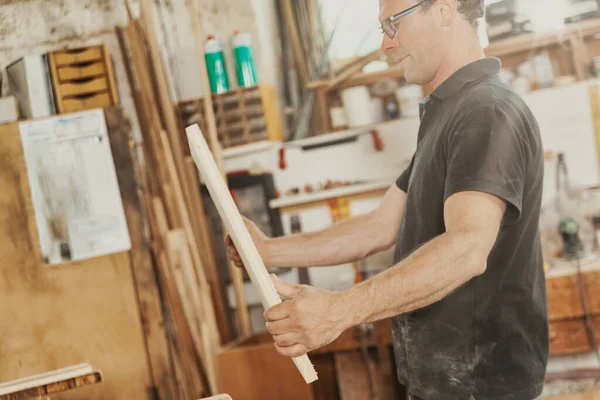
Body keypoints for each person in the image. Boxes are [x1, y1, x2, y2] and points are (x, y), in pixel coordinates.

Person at [226, 0, 549, 398]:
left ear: (445, 9)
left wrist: (338, 310)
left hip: (480, 387)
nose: (385, 46)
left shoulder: (486, 110)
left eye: (392, 25)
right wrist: (267, 251)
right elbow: (379, 227)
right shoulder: (449, 114)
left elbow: (468, 247)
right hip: (445, 385)